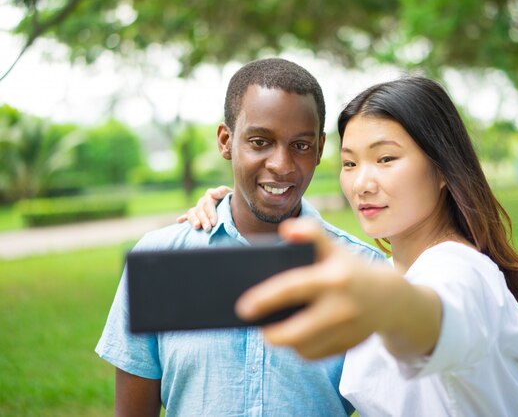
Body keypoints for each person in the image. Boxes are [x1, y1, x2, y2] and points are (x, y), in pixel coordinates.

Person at [181, 76, 518, 416]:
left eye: (385, 158)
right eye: (350, 163)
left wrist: (389, 303)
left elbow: (434, 318)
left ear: (442, 168)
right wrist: (236, 205)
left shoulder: (459, 272)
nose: (362, 183)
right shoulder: (393, 268)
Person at [95, 58, 385, 416]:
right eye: (260, 141)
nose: (281, 164)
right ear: (226, 141)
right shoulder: (161, 259)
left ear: (320, 148)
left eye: (301, 146)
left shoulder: (364, 271)